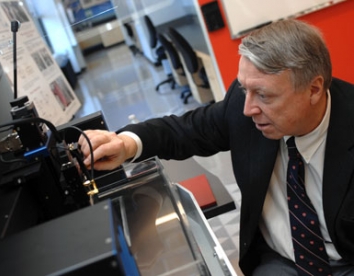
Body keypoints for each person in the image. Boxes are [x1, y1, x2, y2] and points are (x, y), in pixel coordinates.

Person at [78, 19, 354, 275]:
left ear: (314, 90)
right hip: (283, 261)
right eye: (245, 89)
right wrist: (126, 144)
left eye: (264, 95)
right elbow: (187, 130)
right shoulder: (244, 104)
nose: (247, 109)